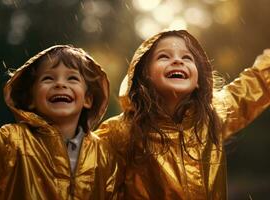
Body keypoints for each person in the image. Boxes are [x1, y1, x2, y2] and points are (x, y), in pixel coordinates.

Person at [96, 30, 270, 199]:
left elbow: (254, 85)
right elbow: (86, 172)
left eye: (187, 57)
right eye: (164, 56)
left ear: (199, 82)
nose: (178, 61)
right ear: (144, 76)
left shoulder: (213, 114)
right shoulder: (120, 132)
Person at [0, 45, 121, 199]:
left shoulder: (103, 153)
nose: (60, 84)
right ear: (31, 99)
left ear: (88, 99)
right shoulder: (11, 143)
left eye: (72, 78)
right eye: (48, 78)